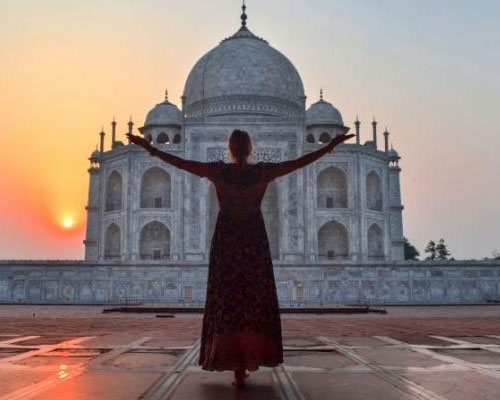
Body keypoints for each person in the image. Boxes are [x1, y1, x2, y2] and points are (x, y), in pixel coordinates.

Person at [126, 129, 354, 388]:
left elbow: (181, 163)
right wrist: (329, 147)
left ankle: (235, 367)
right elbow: (299, 163)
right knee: (252, 299)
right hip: (253, 241)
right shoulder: (262, 172)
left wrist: (151, 149)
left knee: (228, 300)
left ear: (230, 149)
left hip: (227, 242)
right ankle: (248, 360)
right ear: (250, 149)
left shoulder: (219, 171)